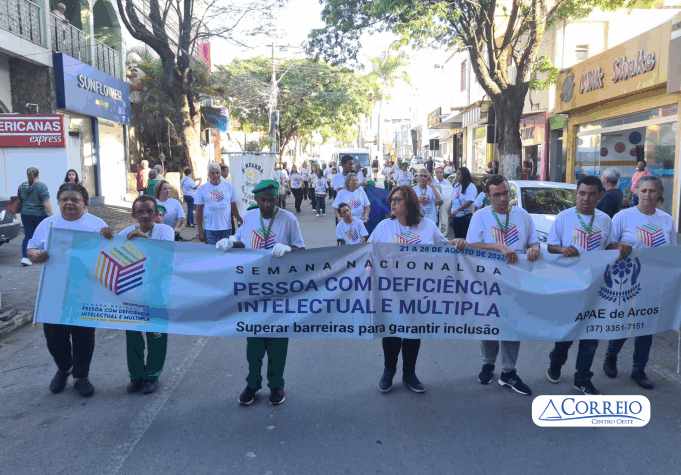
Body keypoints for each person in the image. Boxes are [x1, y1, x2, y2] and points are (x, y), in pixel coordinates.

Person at [369, 185, 467, 393]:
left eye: (397, 199)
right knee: (392, 333)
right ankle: (388, 372)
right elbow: (367, 253)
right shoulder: (384, 227)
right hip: (391, 292)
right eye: (391, 199)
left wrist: (455, 241)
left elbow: (444, 246)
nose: (392, 203)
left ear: (410, 203)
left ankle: (409, 374)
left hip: (418, 292)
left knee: (413, 333)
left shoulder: (427, 226)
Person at [217, 180, 305, 406]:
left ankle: (277, 384)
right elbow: (242, 242)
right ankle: (252, 384)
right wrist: (229, 242)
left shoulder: (288, 219)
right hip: (253, 288)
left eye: (272, 200)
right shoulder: (249, 217)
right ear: (256, 200)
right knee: (254, 341)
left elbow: (301, 250)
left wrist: (289, 249)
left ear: (278, 199)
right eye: (263, 200)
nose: (267, 204)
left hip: (279, 290)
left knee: (277, 341)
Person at [27, 183, 113, 397]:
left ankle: (80, 377)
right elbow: (31, 247)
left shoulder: (96, 224)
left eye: (75, 199)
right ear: (58, 202)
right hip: (54, 290)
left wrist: (110, 236)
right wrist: (35, 254)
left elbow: (111, 252)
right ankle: (65, 368)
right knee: (54, 336)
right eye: (64, 199)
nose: (69, 203)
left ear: (84, 203)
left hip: (86, 290)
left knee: (83, 335)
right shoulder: (48, 224)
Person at [466, 174, 540, 396]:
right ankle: (488, 364)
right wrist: (499, 247)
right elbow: (472, 244)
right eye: (496, 195)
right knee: (489, 324)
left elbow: (533, 240)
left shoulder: (523, 215)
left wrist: (534, 247)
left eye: (505, 193)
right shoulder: (480, 216)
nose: (503, 198)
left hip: (517, 281)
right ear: (488, 197)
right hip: (488, 280)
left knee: (512, 325)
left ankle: (508, 372)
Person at [603, 175, 676, 390]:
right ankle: (611, 355)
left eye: (652, 191)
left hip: (654, 281)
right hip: (627, 280)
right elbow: (608, 246)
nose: (647, 195)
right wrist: (619, 246)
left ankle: (639, 369)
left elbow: (670, 253)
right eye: (643, 190)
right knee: (626, 322)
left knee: (647, 326)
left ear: (659, 194)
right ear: (636, 192)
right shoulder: (623, 217)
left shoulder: (666, 220)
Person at [546, 176, 614, 395]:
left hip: (596, 287)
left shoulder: (605, 220)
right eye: (582, 193)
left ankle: (583, 378)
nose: (586, 198)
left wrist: (620, 246)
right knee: (567, 334)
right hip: (570, 286)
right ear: (576, 194)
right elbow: (550, 247)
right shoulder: (563, 218)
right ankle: (556, 362)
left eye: (592, 194)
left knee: (591, 335)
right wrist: (562, 249)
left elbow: (609, 245)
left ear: (599, 196)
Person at [119, 195, 175, 395]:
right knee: (133, 336)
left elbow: (166, 255)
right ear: (134, 214)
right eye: (140, 212)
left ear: (156, 213)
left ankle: (152, 376)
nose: (145, 215)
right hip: (133, 293)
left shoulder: (165, 231)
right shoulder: (126, 233)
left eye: (149, 211)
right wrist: (106, 234)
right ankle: (136, 376)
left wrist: (145, 239)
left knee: (156, 336)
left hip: (158, 292)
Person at [195, 163, 242, 245]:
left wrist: (241, 221)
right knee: (211, 254)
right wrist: (200, 231)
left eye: (217, 172)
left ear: (220, 173)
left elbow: (234, 208)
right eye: (212, 173)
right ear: (208, 175)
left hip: (226, 228)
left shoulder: (229, 186)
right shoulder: (202, 189)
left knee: (226, 253)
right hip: (210, 229)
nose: (215, 175)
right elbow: (198, 211)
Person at [18, 167, 54, 266]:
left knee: (28, 235)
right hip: (39, 214)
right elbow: (46, 201)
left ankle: (25, 257)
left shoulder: (22, 186)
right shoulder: (41, 186)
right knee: (44, 234)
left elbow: (20, 200)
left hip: (25, 214)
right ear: (38, 175)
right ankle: (43, 255)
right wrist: (52, 214)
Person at [449, 167, 477, 239]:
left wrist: (458, 210)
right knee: (457, 238)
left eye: (458, 174)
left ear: (464, 175)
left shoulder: (470, 187)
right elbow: (453, 199)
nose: (456, 176)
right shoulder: (456, 185)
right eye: (456, 174)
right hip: (456, 217)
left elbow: (469, 201)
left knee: (464, 239)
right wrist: (451, 211)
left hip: (465, 217)